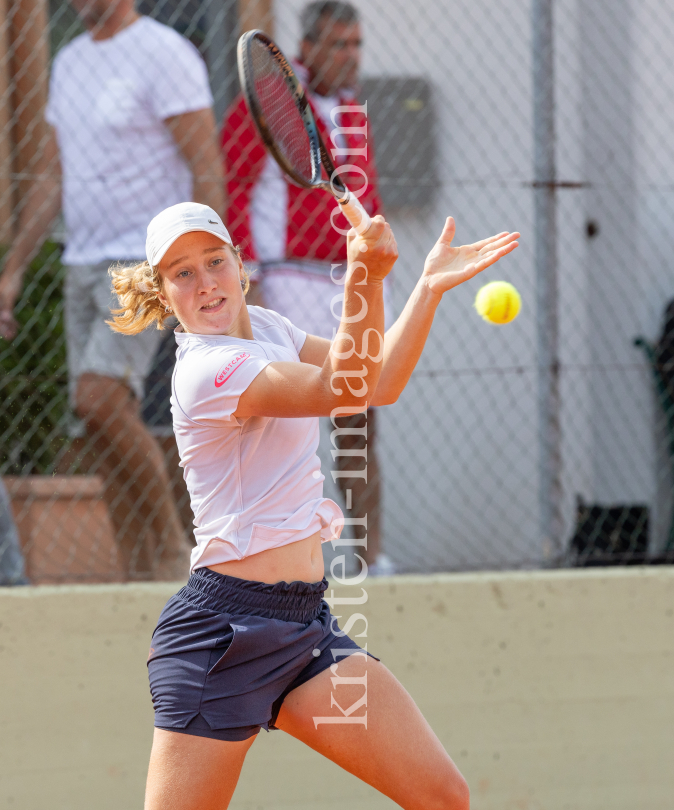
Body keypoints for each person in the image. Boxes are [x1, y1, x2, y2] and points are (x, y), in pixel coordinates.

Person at [108, 200, 518, 808]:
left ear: (240, 264)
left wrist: (425, 288)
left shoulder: (271, 329)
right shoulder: (206, 369)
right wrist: (364, 276)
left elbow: (377, 382)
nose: (205, 283)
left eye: (213, 261)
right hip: (219, 635)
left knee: (442, 796)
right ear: (165, 294)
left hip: (303, 628)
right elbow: (339, 390)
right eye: (182, 273)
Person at [0, 0, 225, 579]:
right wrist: (15, 270)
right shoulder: (71, 61)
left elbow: (206, 167)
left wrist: (211, 268)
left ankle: (176, 548)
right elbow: (52, 176)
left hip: (147, 262)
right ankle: (137, 575)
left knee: (97, 399)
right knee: (101, 426)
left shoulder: (164, 53)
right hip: (81, 259)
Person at [222, 1, 394, 575]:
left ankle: (369, 562)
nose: (350, 56)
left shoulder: (353, 112)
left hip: (348, 284)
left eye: (357, 45)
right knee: (281, 427)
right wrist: (250, 282)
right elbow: (234, 192)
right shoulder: (269, 103)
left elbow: (366, 200)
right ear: (310, 46)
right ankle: (274, 563)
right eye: (338, 45)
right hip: (285, 278)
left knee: (358, 423)